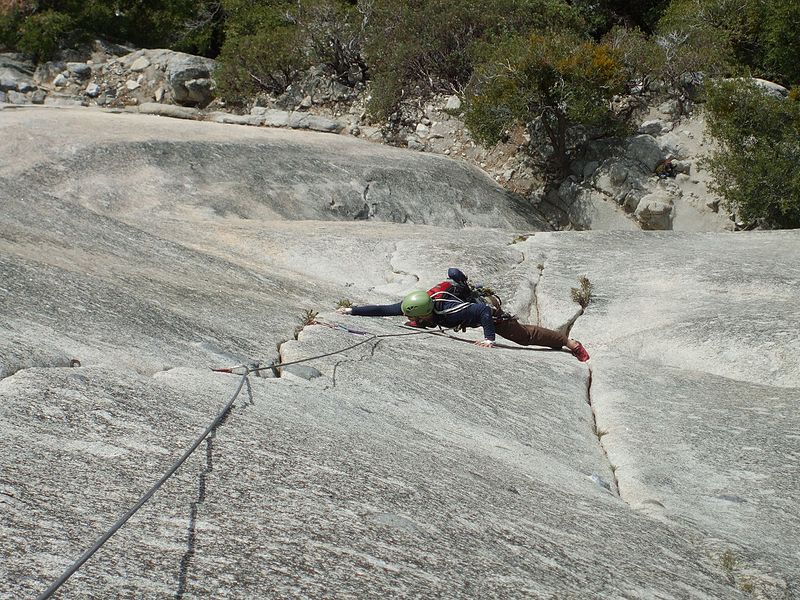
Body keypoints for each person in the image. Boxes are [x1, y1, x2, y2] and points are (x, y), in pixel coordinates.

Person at [337, 268, 590, 362]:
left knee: (523, 336)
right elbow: (384, 310)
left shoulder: (450, 309)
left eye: (420, 318)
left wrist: (490, 337)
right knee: (409, 320)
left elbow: (481, 311)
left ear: (428, 313)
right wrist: (352, 310)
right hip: (457, 310)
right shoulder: (416, 303)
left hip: (484, 312)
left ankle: (569, 342)